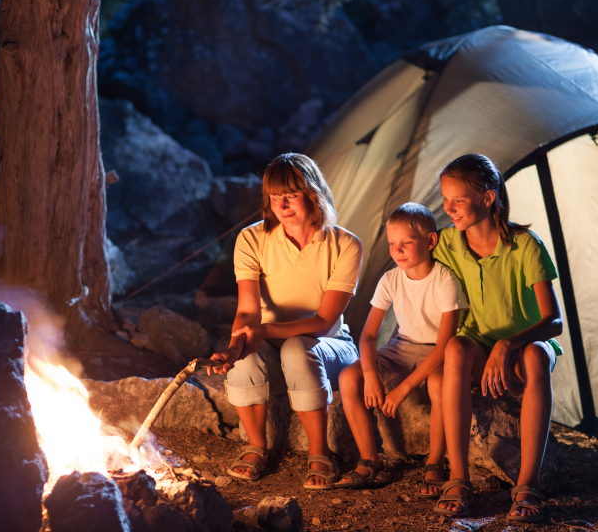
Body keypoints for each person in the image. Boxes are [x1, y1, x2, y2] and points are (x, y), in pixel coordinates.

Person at [209, 153, 362, 490]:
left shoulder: (346, 244)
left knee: (296, 348)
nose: (282, 205)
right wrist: (236, 347)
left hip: (329, 343)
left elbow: (323, 321)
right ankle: (256, 446)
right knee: (247, 354)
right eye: (275, 197)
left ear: (314, 193)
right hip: (270, 339)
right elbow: (248, 312)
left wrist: (264, 331)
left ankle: (319, 452)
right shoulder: (252, 239)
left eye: (291, 195)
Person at [432, 154, 563, 523]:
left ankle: (527, 485)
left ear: (488, 198)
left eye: (457, 200)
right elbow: (408, 264)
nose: (449, 209)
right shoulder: (446, 243)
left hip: (524, 349)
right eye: (444, 200)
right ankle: (458, 479)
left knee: (538, 355)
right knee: (456, 347)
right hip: (478, 347)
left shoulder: (525, 245)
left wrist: (509, 344)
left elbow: (554, 321)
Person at [335, 203, 467, 493]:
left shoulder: (444, 280)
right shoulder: (391, 279)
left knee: (438, 384)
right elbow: (368, 336)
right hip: (402, 347)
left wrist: (402, 389)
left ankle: (434, 462)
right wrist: (370, 374)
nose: (398, 250)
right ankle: (370, 458)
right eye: (393, 243)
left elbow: (445, 344)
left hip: (438, 351)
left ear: (430, 241)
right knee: (348, 378)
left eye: (407, 243)